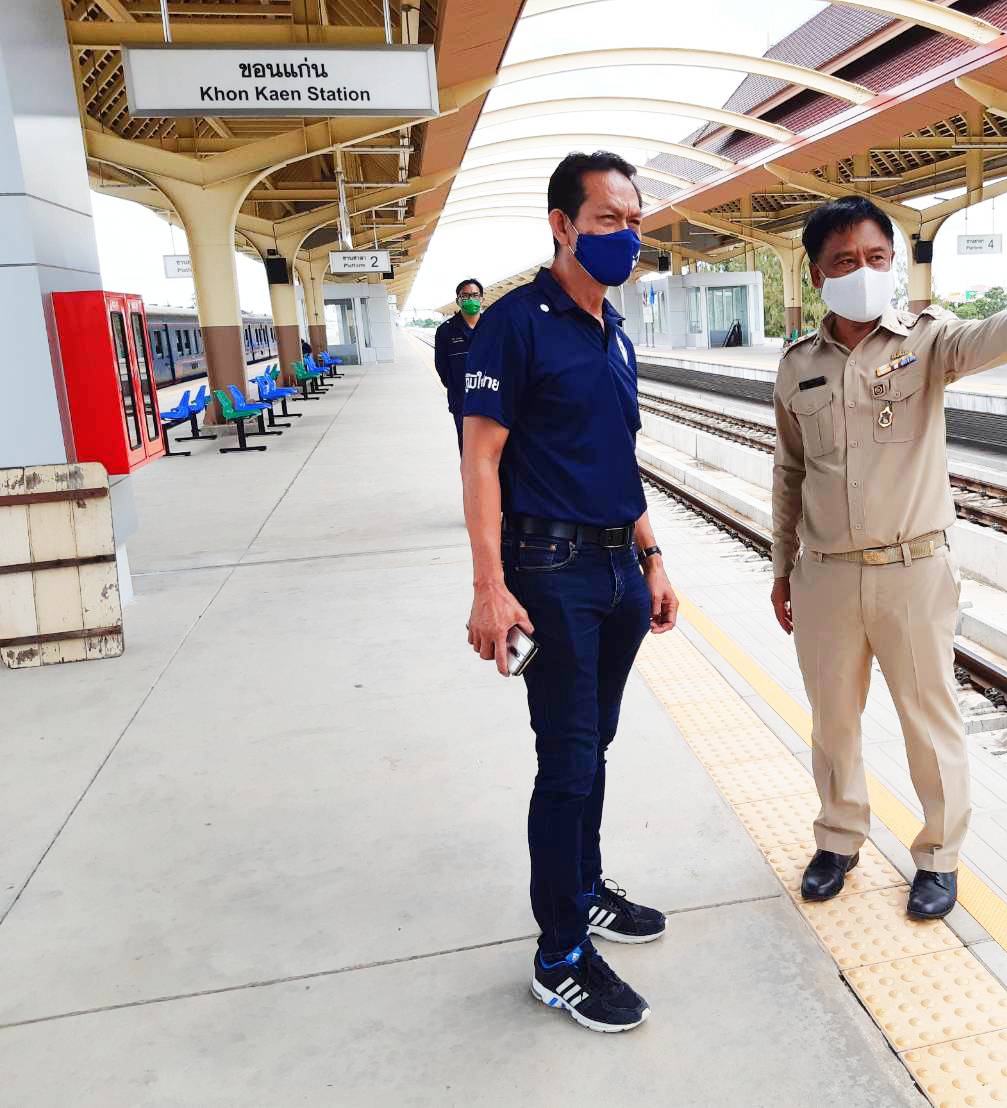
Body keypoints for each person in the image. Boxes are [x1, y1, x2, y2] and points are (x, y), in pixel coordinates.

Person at [770, 195, 1007, 920]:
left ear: (893, 262)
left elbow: (984, 339)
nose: (862, 271)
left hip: (912, 570)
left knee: (929, 719)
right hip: (825, 575)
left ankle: (939, 856)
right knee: (832, 720)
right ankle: (838, 838)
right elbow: (790, 472)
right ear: (817, 273)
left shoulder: (926, 341)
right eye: (844, 261)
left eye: (875, 257)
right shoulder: (797, 366)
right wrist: (781, 567)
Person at [461, 150, 679, 1035]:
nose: (625, 235)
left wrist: (652, 558)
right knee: (566, 760)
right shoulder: (512, 325)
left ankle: (583, 891)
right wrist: (489, 587)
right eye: (606, 220)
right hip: (548, 570)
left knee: (596, 747)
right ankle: (557, 958)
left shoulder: (613, 331)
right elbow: (480, 459)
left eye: (633, 221)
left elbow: (617, 457)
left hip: (617, 568)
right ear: (561, 225)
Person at [434, 278, 484, 454]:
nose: (471, 299)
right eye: (465, 296)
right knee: (468, 450)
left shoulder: (494, 326)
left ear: (482, 299)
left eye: (475, 295)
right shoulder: (445, 330)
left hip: (491, 399)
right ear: (458, 300)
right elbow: (442, 367)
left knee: (495, 452)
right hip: (462, 402)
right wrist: (456, 386)